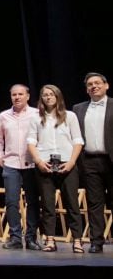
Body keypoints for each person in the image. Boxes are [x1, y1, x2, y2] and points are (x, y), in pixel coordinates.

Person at [28, 85, 85, 253]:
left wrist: (72, 162)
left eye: (51, 94)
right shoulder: (36, 118)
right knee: (47, 205)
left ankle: (77, 240)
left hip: (67, 163)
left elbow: (78, 141)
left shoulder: (70, 116)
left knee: (72, 204)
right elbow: (31, 142)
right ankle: (50, 240)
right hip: (44, 164)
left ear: (57, 96)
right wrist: (38, 161)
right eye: (45, 95)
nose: (48, 97)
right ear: (41, 98)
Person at [0, 84, 42, 251]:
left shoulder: (37, 114)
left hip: (32, 163)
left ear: (28, 96)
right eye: (14, 94)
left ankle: (31, 238)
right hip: (11, 163)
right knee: (11, 201)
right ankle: (15, 237)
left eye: (21, 94)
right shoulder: (3, 116)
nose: (17, 97)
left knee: (33, 202)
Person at [73, 73, 113, 253]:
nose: (94, 86)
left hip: (111, 159)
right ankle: (96, 241)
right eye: (90, 84)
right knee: (94, 202)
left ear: (106, 86)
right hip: (88, 160)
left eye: (97, 83)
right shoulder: (78, 108)